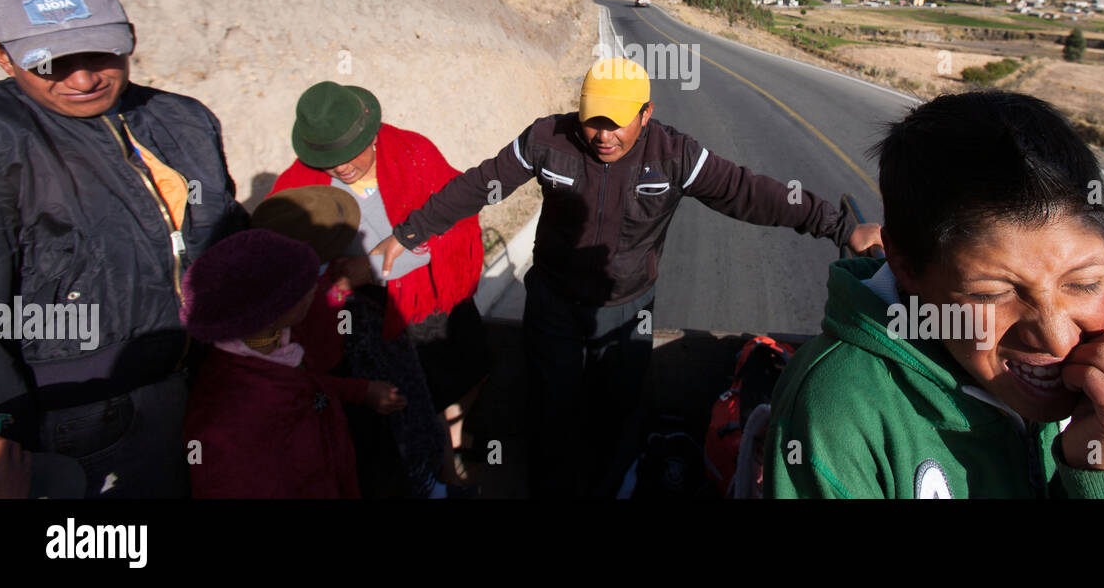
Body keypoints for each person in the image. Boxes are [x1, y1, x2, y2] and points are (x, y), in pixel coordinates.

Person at [373, 57, 881, 498]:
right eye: (592, 121)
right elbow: (482, 183)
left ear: (647, 114)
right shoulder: (547, 138)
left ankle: (612, 483)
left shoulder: (674, 154)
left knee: (618, 408)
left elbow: (750, 193)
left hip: (628, 309)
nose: (602, 135)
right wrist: (409, 233)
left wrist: (840, 226)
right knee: (551, 409)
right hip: (553, 305)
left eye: (617, 123)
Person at [764, 90, 1104, 498]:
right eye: (991, 294)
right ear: (906, 266)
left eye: (1084, 284)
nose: (1058, 341)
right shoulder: (838, 411)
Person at [0, 0, 246, 498]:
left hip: (207, 381)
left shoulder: (182, 118)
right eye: (50, 64)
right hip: (79, 420)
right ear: (3, 58)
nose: (83, 80)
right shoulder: (4, 140)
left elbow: (225, 228)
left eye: (101, 56)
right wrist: (6, 431)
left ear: (129, 38)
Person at [271, 82, 488, 492]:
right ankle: (441, 467)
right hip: (365, 322)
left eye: (349, 153)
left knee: (471, 367)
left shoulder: (413, 153)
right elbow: (294, 266)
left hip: (431, 296)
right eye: (328, 159)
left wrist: (370, 267)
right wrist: (340, 286)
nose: (341, 168)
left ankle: (451, 440)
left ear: (371, 134)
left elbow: (450, 220)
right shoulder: (300, 185)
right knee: (405, 408)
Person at [182, 228, 400, 498]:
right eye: (303, 286)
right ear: (273, 313)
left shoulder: (272, 341)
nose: (313, 287)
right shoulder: (226, 425)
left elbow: (301, 383)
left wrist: (359, 391)